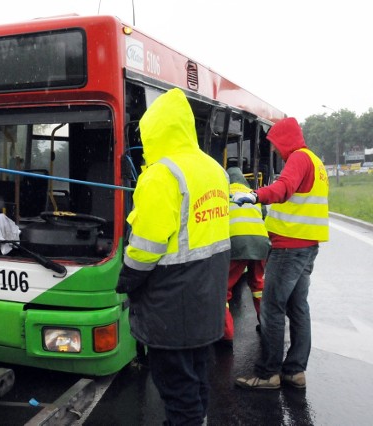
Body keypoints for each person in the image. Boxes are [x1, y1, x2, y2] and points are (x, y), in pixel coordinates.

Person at [116, 88, 230, 425]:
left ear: (155, 130)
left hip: (172, 305)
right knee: (196, 380)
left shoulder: (161, 174)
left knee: (177, 390)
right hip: (206, 299)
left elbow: (145, 246)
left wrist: (127, 279)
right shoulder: (213, 170)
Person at [234, 117, 329, 390]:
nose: (274, 150)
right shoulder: (316, 162)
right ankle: (294, 371)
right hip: (307, 247)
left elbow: (283, 188)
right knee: (298, 307)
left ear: (286, 139)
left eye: (275, 144)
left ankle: (268, 374)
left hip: (290, 248)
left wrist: (255, 196)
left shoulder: (298, 159)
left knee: (272, 308)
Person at [221, 167, 271, 347]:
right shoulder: (253, 194)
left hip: (237, 244)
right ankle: (268, 326)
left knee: (223, 289)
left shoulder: (223, 194)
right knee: (258, 286)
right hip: (261, 243)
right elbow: (264, 218)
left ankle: (226, 335)